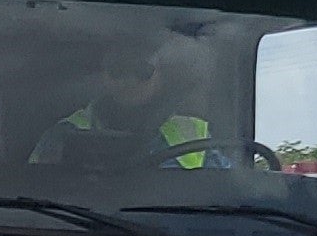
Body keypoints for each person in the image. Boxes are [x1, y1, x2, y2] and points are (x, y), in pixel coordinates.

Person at [30, 50, 218, 168]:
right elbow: (34, 194)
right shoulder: (62, 134)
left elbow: (224, 196)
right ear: (103, 74)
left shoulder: (195, 136)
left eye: (142, 70)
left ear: (161, 74)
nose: (129, 80)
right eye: (118, 69)